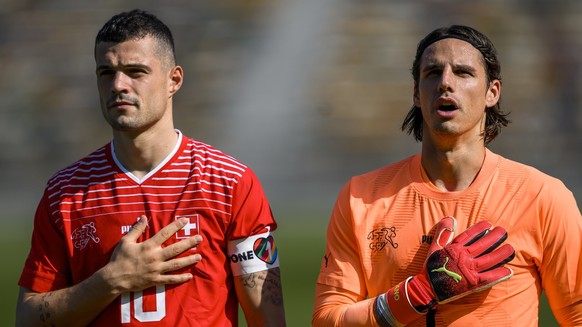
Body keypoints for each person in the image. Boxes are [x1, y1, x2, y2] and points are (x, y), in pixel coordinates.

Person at [16, 9, 285, 327]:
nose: (118, 84)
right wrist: (110, 281)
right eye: (106, 72)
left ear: (174, 80)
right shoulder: (65, 192)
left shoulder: (230, 183)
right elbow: (28, 319)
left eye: (135, 71)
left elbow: (267, 319)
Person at [312, 24, 582, 326]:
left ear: (492, 92)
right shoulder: (361, 198)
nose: (445, 83)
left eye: (463, 73)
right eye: (432, 73)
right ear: (416, 93)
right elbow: (327, 320)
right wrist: (415, 294)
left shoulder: (543, 197)